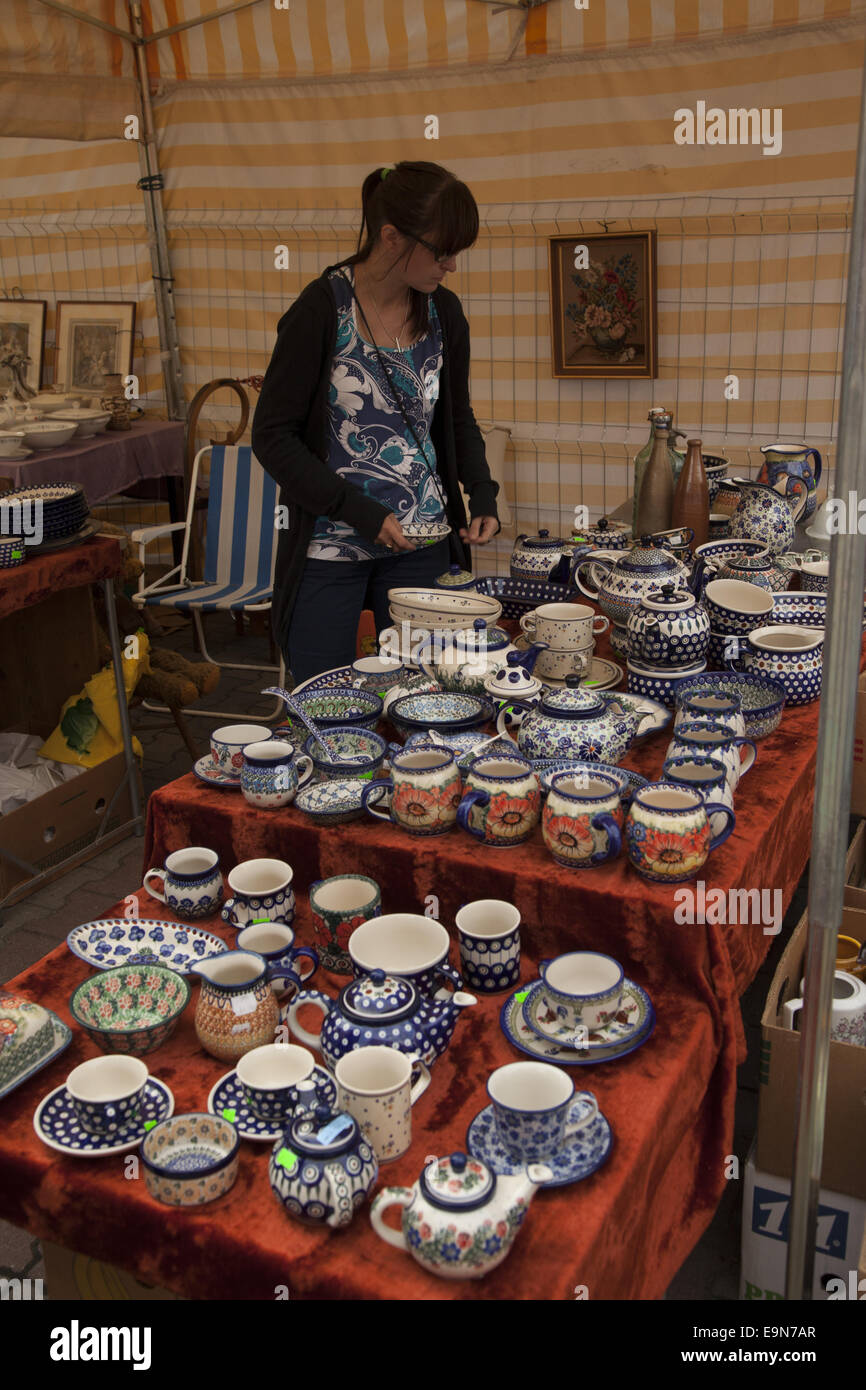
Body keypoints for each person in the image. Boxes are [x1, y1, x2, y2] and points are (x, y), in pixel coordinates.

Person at [252, 160, 500, 685]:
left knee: (427, 695)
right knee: (326, 701)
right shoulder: (320, 311)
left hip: (423, 542)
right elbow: (273, 436)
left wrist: (482, 494)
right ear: (391, 237)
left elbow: (456, 418)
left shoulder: (444, 314)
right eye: (441, 250)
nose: (450, 265)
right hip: (330, 545)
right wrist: (357, 511)